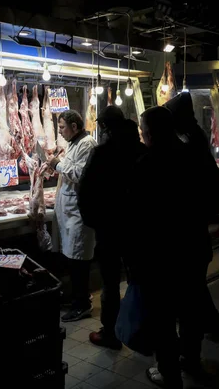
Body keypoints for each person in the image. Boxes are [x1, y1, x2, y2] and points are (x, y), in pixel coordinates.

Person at [127, 106, 219, 389]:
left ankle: (169, 373)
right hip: (193, 248)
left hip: (159, 256)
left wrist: (133, 260)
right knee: (191, 309)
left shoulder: (146, 165)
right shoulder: (195, 157)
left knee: (163, 317)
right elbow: (217, 197)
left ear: (150, 134)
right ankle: (191, 360)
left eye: (143, 131)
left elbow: (134, 218)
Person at [78, 106, 147, 349]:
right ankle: (141, 328)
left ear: (105, 126)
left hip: (109, 227)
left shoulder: (102, 152)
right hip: (137, 226)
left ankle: (111, 333)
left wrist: (93, 221)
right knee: (139, 277)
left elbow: (84, 190)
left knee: (110, 280)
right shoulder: (141, 149)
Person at [164, 93, 219, 339]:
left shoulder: (188, 143)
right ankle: (211, 323)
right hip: (196, 226)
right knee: (195, 285)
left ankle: (194, 343)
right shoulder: (193, 136)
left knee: (191, 286)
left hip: (189, 228)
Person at [48, 110, 97, 322]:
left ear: (74, 127)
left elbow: (78, 173)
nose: (60, 132)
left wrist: (56, 164)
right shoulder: (74, 144)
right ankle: (77, 298)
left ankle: (82, 304)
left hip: (78, 214)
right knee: (72, 260)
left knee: (79, 262)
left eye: (62, 128)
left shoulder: (87, 145)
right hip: (69, 214)